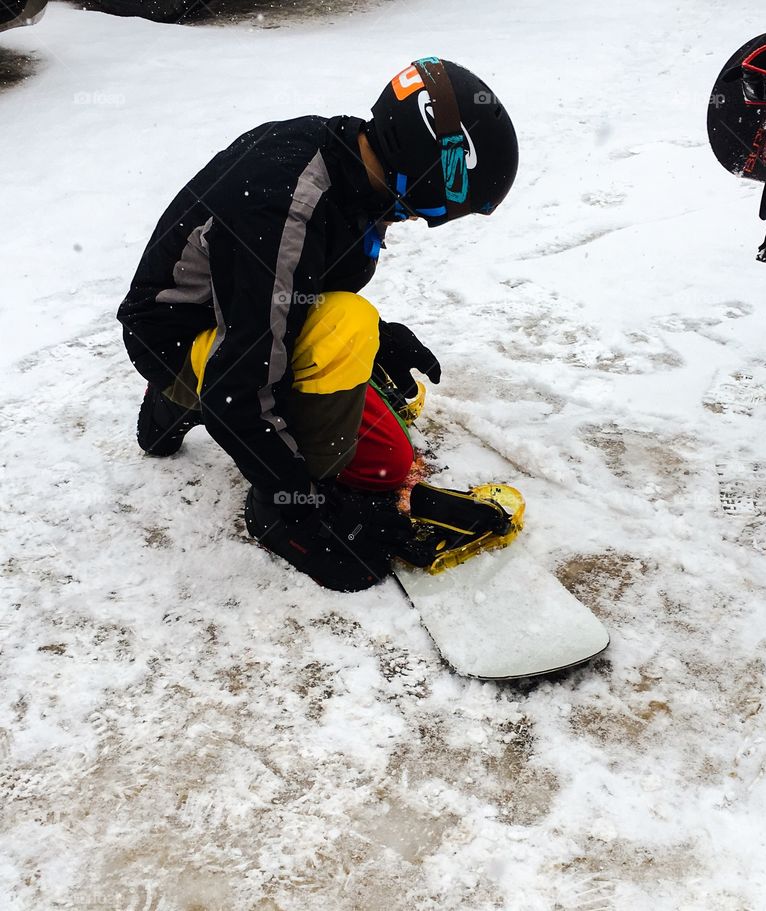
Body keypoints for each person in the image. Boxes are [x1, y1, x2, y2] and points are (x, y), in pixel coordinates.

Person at [117, 57, 518, 592]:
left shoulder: (352, 163)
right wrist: (301, 505)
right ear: (422, 160)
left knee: (360, 349)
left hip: (231, 326)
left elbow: (299, 289)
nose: (429, 219)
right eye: (445, 198)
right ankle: (264, 504)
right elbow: (241, 388)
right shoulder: (287, 205)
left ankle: (178, 402)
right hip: (183, 341)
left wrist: (378, 344)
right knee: (381, 463)